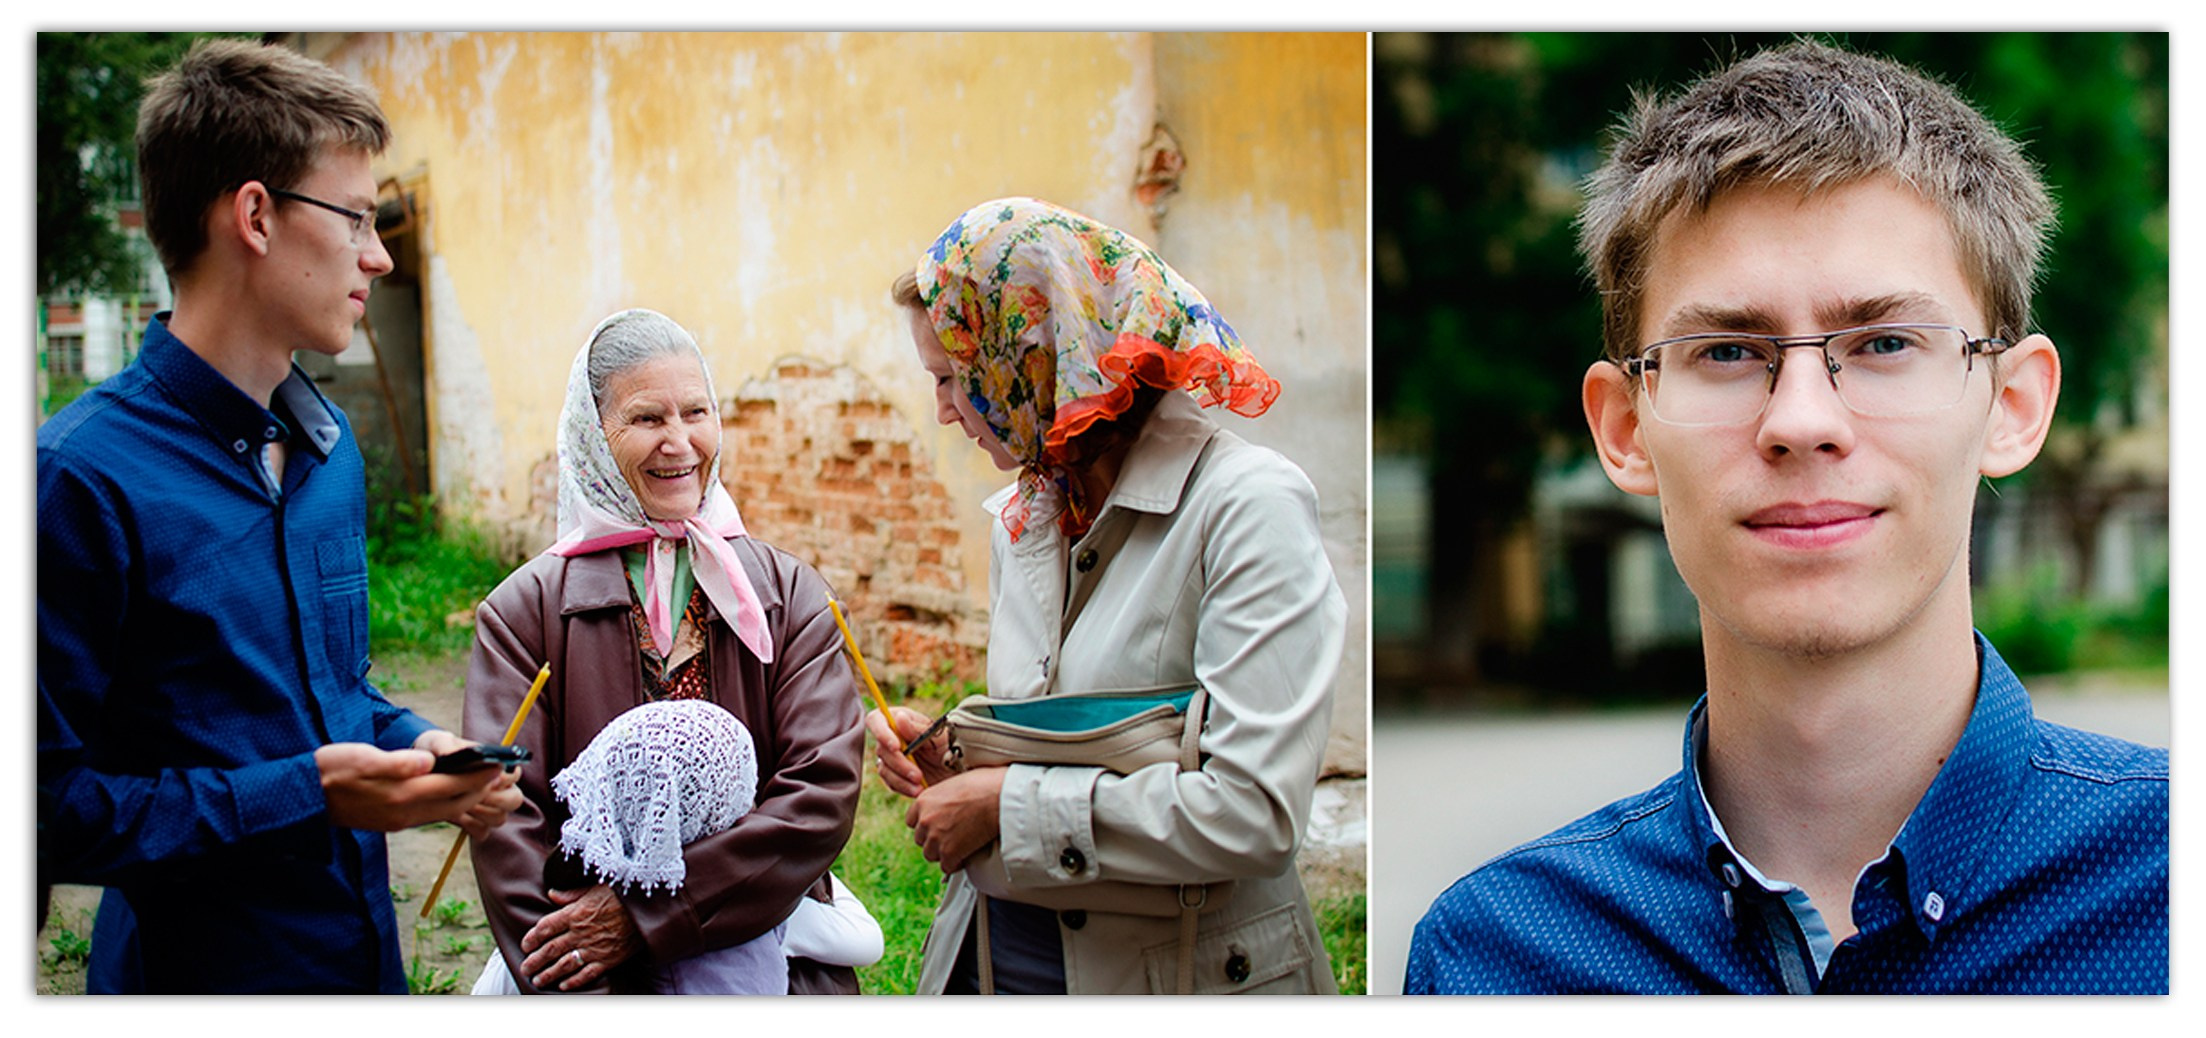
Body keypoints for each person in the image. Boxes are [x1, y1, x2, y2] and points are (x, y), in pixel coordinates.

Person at [1405, 40, 2167, 995]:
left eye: (1886, 342)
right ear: (1625, 429)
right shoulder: (1495, 963)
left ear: (2011, 406)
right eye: (1727, 352)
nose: (1802, 422)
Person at [36, 38, 521, 993]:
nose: (379, 255)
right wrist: (308, 795)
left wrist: (413, 745)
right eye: (356, 218)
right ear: (255, 216)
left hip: (364, 969)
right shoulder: (76, 479)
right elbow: (45, 811)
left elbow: (327, 694)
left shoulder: (330, 453)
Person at [870, 197, 1347, 994]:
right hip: (995, 961)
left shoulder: (1247, 506)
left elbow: (1253, 814)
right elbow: (1067, 731)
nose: (944, 412)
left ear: (1034, 353)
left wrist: (1003, 807)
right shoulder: (1029, 512)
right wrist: (956, 755)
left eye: (952, 378)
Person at [465, 308, 866, 995]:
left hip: (767, 949)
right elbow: (506, 815)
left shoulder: (789, 595)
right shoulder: (523, 614)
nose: (679, 443)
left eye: (696, 412)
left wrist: (650, 915)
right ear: (593, 437)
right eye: (647, 418)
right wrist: (574, 974)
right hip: (589, 970)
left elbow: (820, 792)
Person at [469, 700, 881, 994]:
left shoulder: (570, 918)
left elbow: (490, 991)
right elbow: (866, 941)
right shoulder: (759, 916)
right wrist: (814, 874)